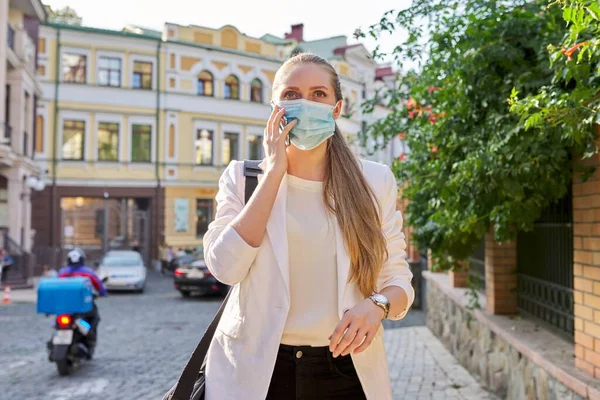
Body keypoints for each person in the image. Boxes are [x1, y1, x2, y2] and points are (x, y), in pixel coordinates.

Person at [202, 52, 415, 400]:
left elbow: (399, 280)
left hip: (345, 368)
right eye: (291, 94)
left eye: (318, 94)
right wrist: (274, 173)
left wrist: (376, 305)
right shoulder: (243, 178)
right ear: (274, 107)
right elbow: (225, 268)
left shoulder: (374, 181)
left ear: (336, 109)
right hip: (256, 372)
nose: (305, 102)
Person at [58, 248, 107, 353]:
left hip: (65, 306)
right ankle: (90, 339)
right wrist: (102, 293)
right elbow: (98, 284)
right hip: (83, 306)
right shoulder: (88, 272)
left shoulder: (62, 273)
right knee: (95, 318)